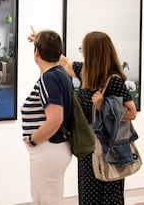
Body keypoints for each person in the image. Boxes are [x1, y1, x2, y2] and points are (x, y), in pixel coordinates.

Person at [58, 31, 137, 204]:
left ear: (93, 52)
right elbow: (63, 61)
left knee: (109, 196)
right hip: (88, 148)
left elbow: (132, 113)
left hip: (108, 149)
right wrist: (40, 41)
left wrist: (104, 107)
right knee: (88, 196)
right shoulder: (85, 72)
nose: (82, 53)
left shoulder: (113, 81)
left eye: (83, 49)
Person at [22, 29, 73, 204]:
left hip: (48, 148)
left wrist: (33, 140)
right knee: (44, 198)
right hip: (54, 149)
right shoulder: (60, 73)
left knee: (47, 200)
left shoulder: (49, 78)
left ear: (36, 52)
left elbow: (55, 119)